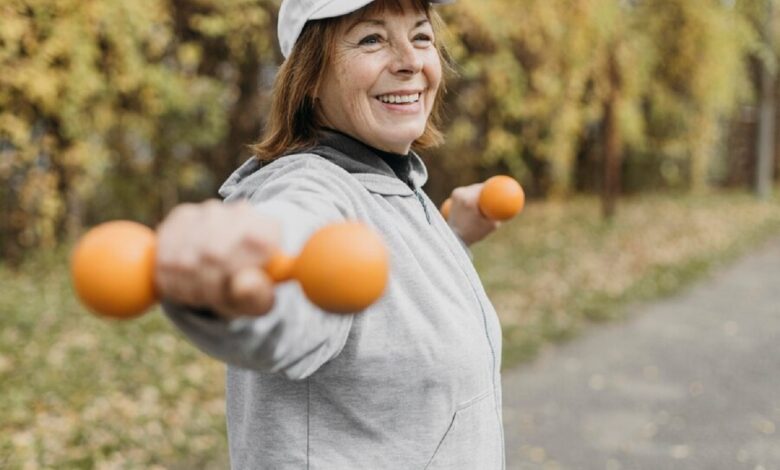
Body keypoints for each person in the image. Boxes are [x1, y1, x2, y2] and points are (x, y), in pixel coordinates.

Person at [157, 0, 506, 467]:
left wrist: (451, 238)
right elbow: (295, 275)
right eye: (372, 39)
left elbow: (388, 306)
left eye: (421, 36)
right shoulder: (309, 189)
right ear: (311, 78)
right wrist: (239, 293)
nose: (410, 61)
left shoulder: (391, 181)